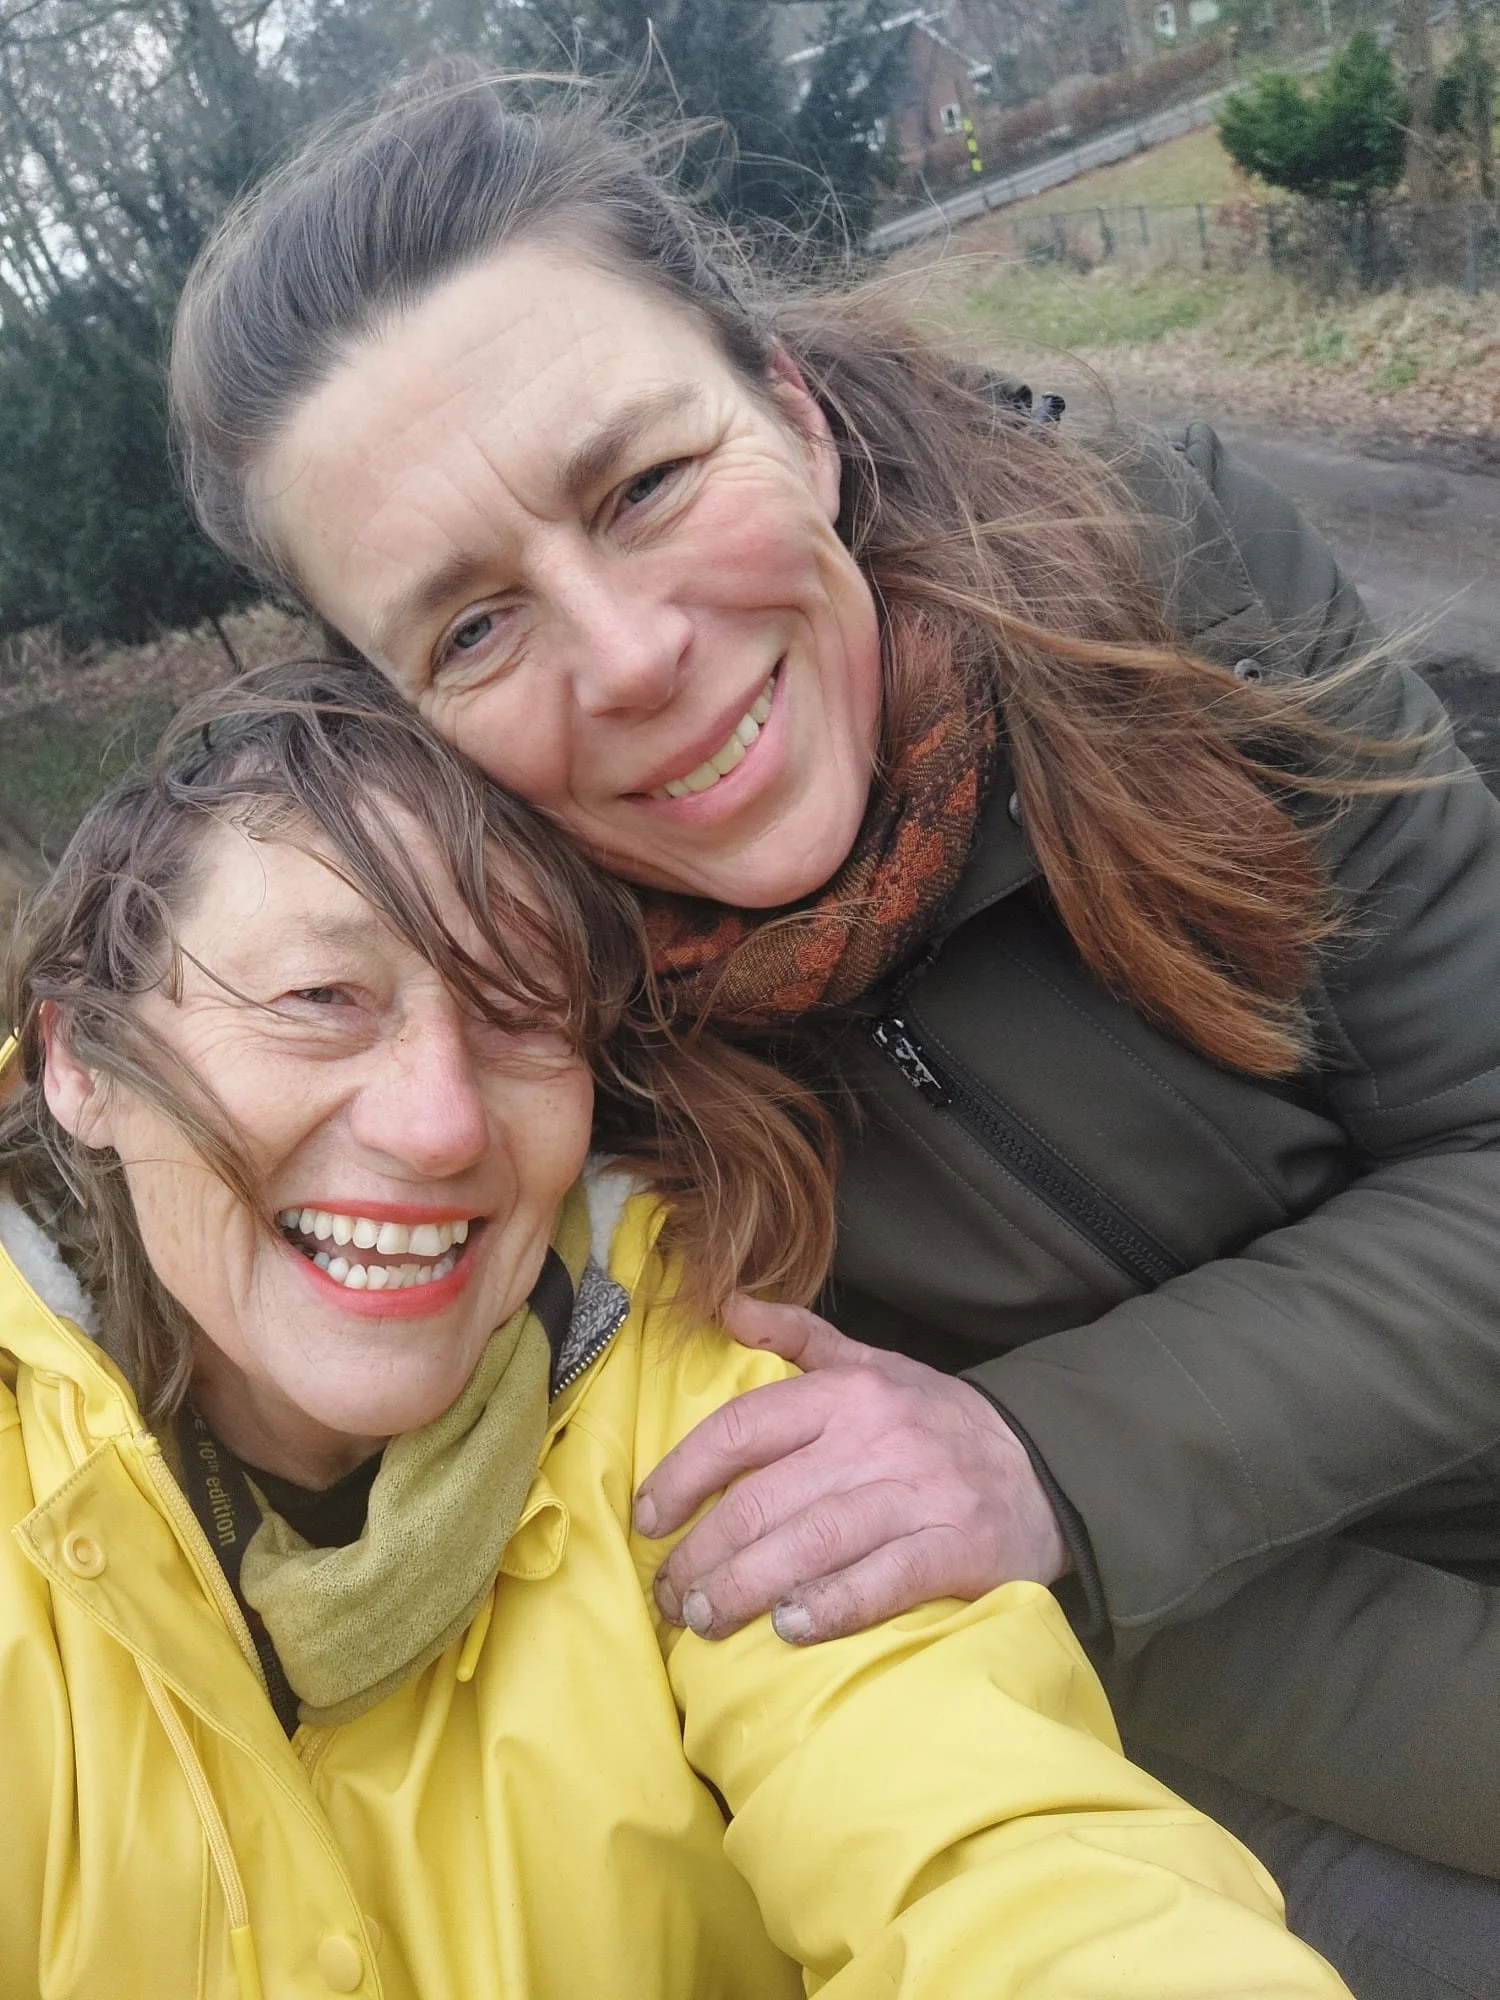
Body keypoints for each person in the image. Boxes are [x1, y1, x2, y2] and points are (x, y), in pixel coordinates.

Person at [166, 70, 1500, 1997]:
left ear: (788, 410)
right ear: (396, 716)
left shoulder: (1177, 579)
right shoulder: (517, 1072)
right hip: (1217, 1732)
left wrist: (1042, 1453)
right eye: (470, 628)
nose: (632, 660)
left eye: (643, 485)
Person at [0, 664, 1354, 1999]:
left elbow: (1003, 1860)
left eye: (525, 1017)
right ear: (78, 1062)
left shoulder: (692, 1403)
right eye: (320, 1001)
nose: (441, 1122)